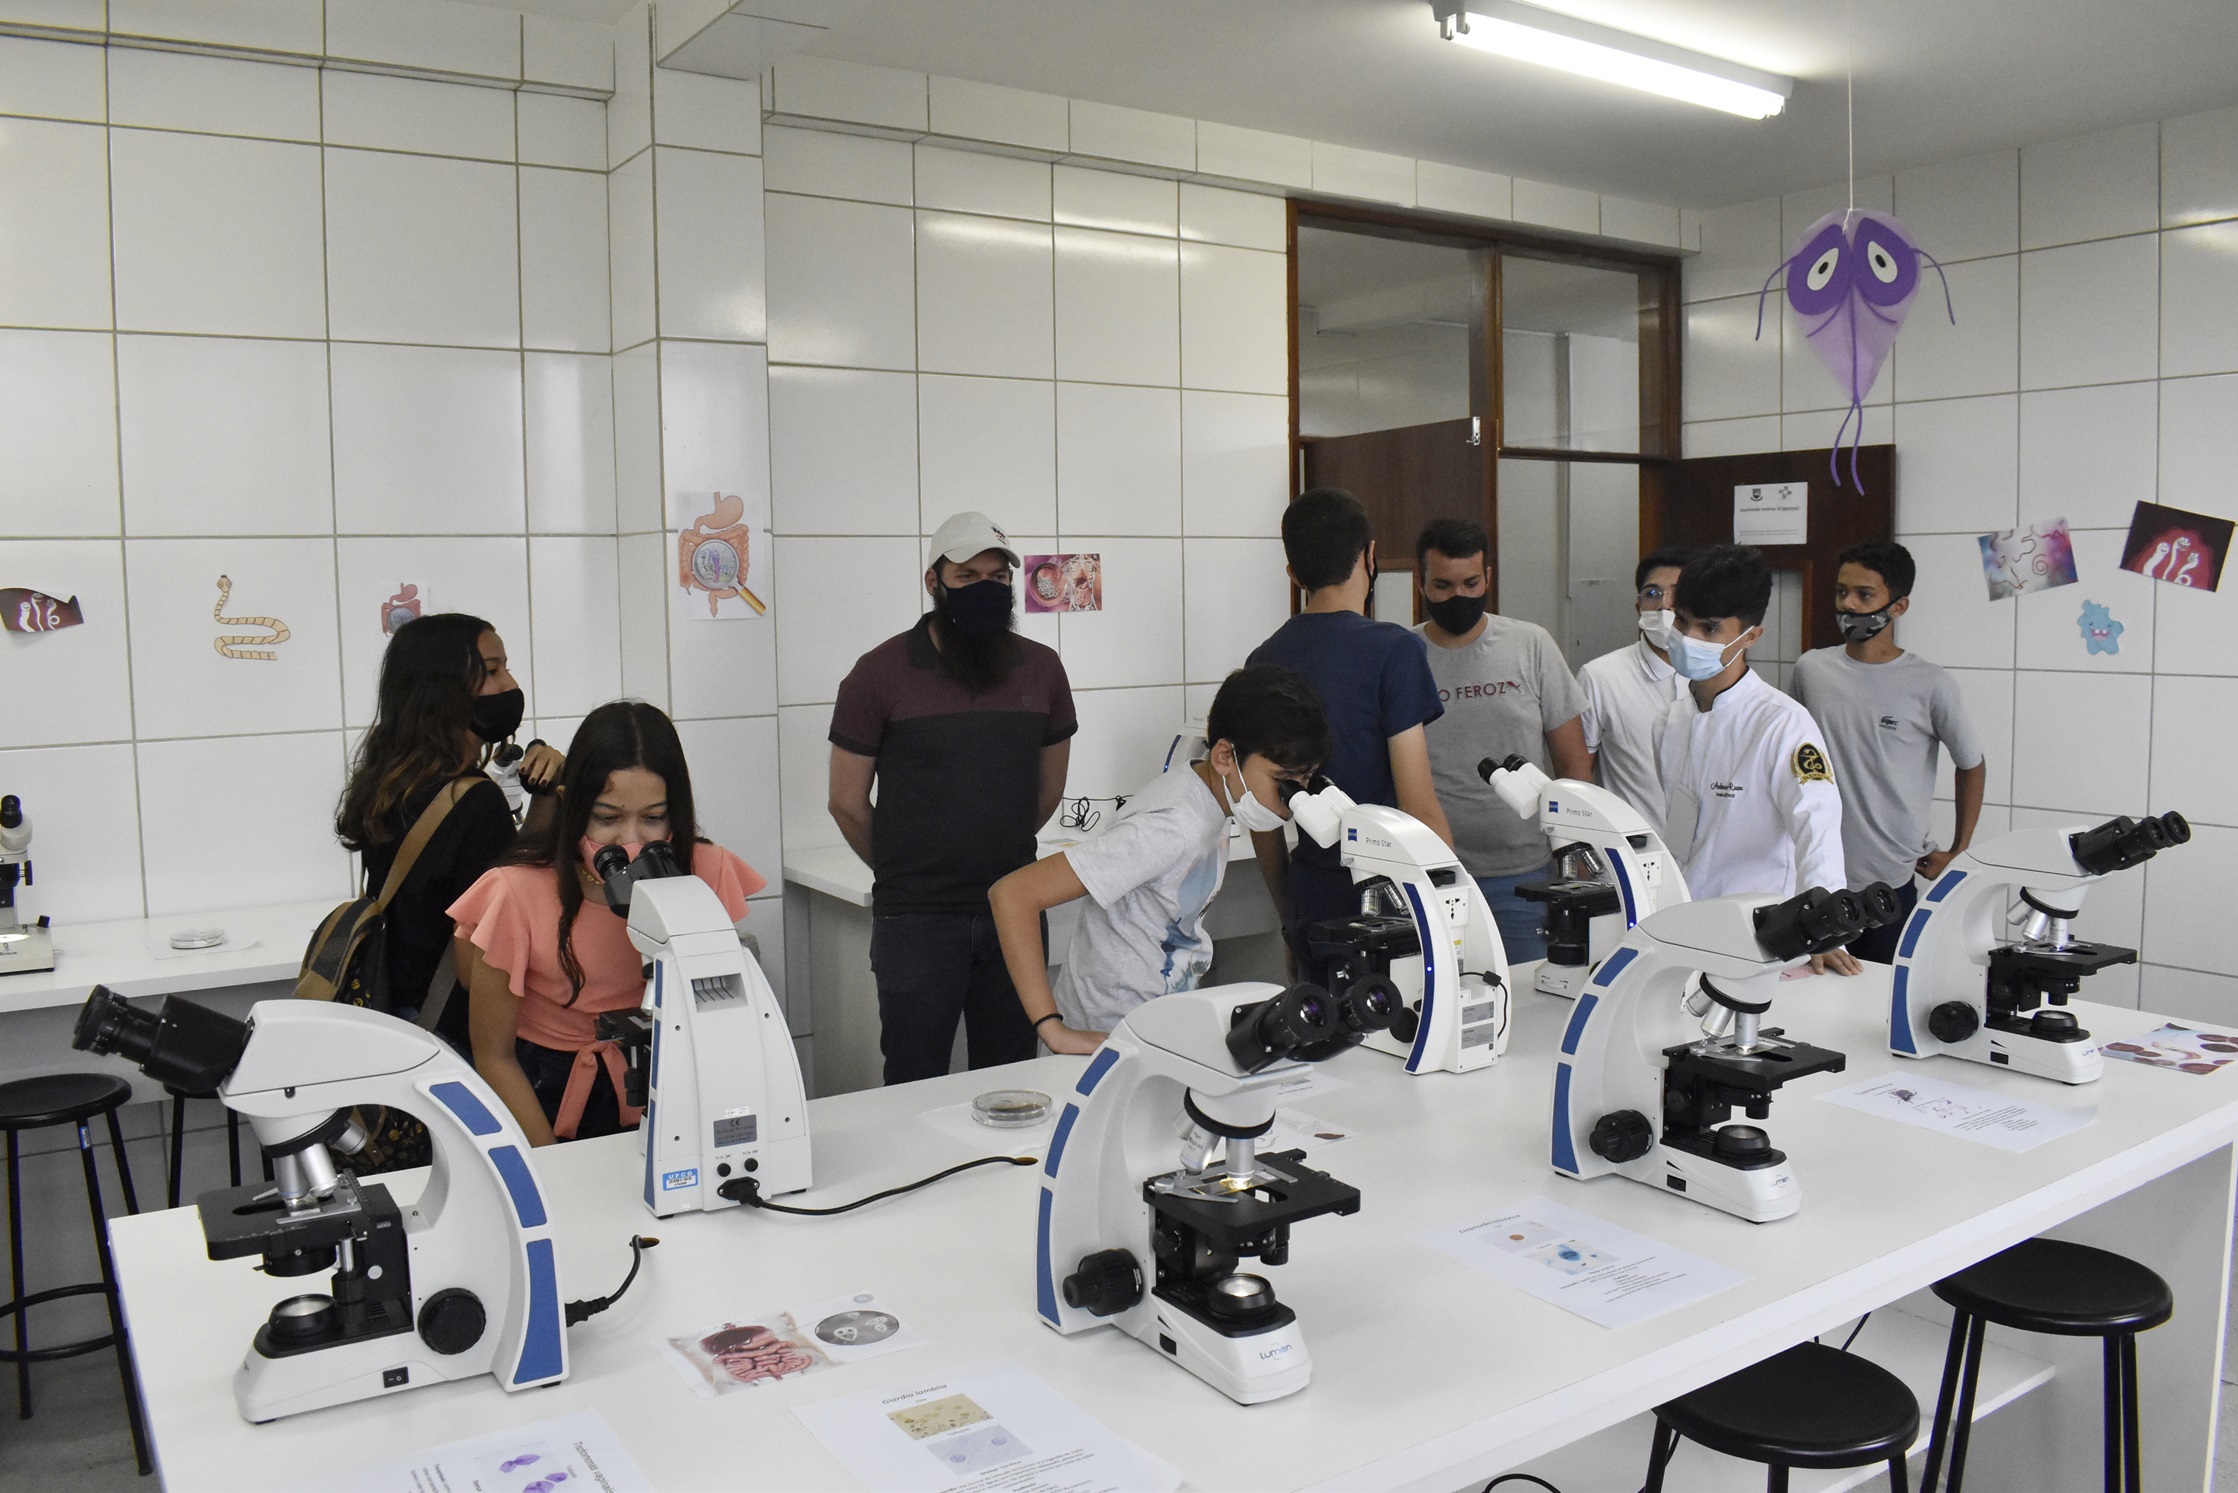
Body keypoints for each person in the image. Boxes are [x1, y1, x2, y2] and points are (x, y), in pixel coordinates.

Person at [828, 512, 1077, 1085]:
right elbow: (845, 801)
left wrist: (993, 851)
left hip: (1014, 909)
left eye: (998, 577)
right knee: (915, 1081)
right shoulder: (878, 674)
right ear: (933, 582)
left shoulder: (1041, 669)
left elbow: (1048, 790)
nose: (985, 589)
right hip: (916, 920)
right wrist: (907, 867)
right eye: (967, 576)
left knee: (1014, 1082)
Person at [451, 700, 766, 1144]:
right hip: (547, 1090)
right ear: (571, 805)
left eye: (654, 818)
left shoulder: (706, 871)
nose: (631, 840)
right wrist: (552, 1165)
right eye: (607, 818)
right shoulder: (515, 891)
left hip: (669, 1074)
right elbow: (494, 1055)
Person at [989, 665, 1329, 1052]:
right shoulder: (1171, 826)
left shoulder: (1212, 796)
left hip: (1157, 1023)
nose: (1292, 800)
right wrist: (1051, 1027)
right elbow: (1013, 895)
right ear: (1224, 756)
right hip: (1109, 1036)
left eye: (1305, 781)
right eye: (1283, 781)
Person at [1246, 488, 1449, 987]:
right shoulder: (1395, 651)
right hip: (1389, 896)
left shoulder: (1262, 661)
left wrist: (1289, 915)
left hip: (1311, 894)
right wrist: (1449, 904)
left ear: (1293, 574)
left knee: (1320, 1028)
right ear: (1370, 556)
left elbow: (1262, 815)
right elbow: (1419, 806)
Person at [334, 613, 559, 1052]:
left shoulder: (389, 782)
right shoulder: (474, 801)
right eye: (492, 670)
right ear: (444, 688)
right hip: (451, 1025)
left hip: (395, 1007)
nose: (510, 684)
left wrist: (543, 792)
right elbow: (506, 914)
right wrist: (553, 795)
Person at [1654, 544, 1856, 975]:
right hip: (1682, 924)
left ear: (1750, 636)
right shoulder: (1671, 719)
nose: (1689, 638)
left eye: (1710, 628)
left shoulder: (1783, 724)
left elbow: (1817, 828)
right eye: (1682, 622)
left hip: (1759, 937)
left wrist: (1823, 925)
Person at [1791, 540, 1987, 964]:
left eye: (1864, 595)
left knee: (1877, 991)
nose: (1848, 604)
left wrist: (1959, 849)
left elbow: (1971, 764)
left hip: (1889, 879)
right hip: (1816, 870)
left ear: (1898, 607)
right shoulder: (1811, 669)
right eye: (1842, 592)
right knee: (1809, 988)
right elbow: (1791, 753)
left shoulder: (1930, 683)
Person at [1411, 518, 1591, 962]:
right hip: (1434, 873)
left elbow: (1574, 765)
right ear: (1421, 583)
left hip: (1525, 872)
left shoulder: (1531, 644)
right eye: (1443, 585)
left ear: (1488, 577)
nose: (1458, 596)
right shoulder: (1403, 654)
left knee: (1529, 993)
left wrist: (1575, 856)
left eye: (1471, 583)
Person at [1577, 546, 1693, 838]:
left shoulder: (1713, 673)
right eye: (1653, 594)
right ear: (1638, 605)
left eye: (1677, 593)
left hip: (1704, 852)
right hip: (1632, 849)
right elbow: (1579, 774)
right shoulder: (1601, 676)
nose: (1664, 605)